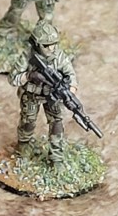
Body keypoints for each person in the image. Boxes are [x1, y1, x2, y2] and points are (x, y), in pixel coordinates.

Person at [8, 21, 77, 167]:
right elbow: (12, 78)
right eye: (46, 45)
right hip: (32, 95)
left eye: (54, 44)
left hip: (52, 95)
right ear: (37, 44)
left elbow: (71, 76)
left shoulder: (60, 57)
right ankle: (23, 149)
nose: (51, 48)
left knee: (56, 124)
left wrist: (69, 93)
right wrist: (29, 75)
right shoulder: (27, 57)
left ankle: (56, 157)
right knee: (28, 123)